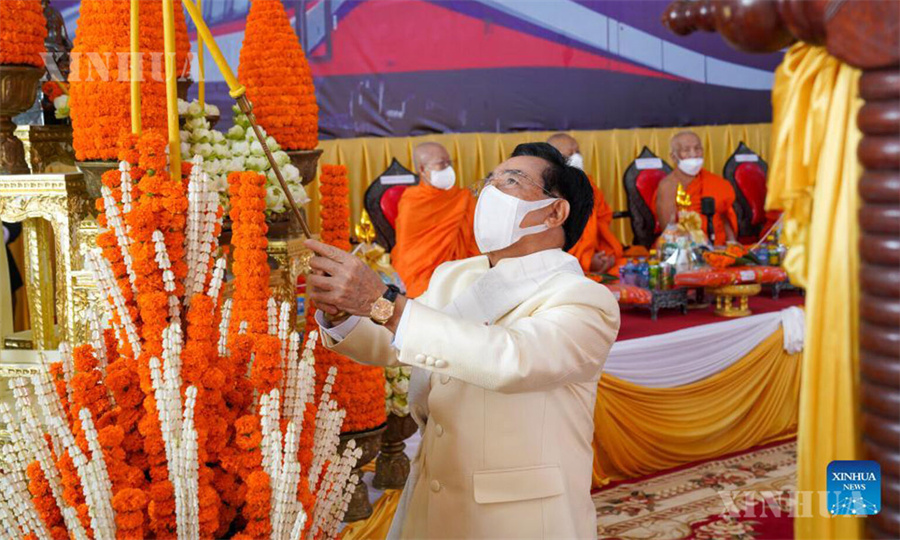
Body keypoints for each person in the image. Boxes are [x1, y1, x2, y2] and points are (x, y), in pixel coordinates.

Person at [305, 142, 619, 539]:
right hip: (435, 499)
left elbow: (513, 361)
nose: (490, 191)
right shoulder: (456, 276)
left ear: (555, 212)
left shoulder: (584, 299)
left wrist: (383, 303)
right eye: (489, 180)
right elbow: (396, 340)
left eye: (511, 181)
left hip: (518, 517)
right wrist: (343, 313)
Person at [391, 142, 479, 298]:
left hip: (461, 273)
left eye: (449, 163)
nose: (448, 168)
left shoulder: (463, 198)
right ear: (422, 169)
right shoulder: (412, 201)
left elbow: (475, 241)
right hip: (420, 275)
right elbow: (409, 250)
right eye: (441, 164)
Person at [547, 133, 623, 274]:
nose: (577, 157)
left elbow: (603, 221)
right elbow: (552, 239)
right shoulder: (549, 190)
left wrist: (604, 255)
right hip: (564, 261)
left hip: (595, 253)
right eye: (570, 154)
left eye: (578, 152)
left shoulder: (589, 185)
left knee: (625, 268)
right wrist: (586, 260)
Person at [654, 131, 737, 244]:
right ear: (673, 157)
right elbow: (668, 231)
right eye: (686, 150)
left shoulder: (716, 182)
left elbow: (723, 217)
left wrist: (732, 243)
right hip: (684, 247)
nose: (693, 154)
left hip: (718, 246)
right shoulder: (668, 186)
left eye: (697, 148)